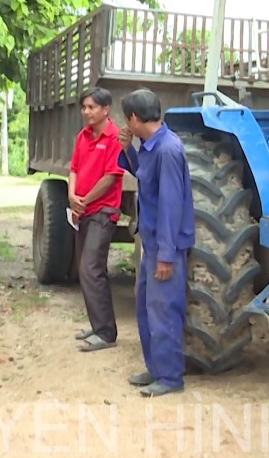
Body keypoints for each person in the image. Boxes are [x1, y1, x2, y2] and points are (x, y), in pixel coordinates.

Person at [116, 88, 195, 397]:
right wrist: (128, 149)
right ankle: (156, 368)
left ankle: (171, 377)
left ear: (134, 118)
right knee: (147, 307)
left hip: (166, 246)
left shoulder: (168, 150)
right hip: (151, 240)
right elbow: (145, 177)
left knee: (164, 310)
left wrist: (165, 254)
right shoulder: (151, 145)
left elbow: (170, 207)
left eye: (127, 120)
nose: (126, 125)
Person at [68, 87, 126, 352]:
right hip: (83, 210)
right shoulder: (83, 136)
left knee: (91, 268)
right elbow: (74, 169)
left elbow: (111, 177)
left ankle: (105, 333)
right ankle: (97, 324)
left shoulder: (114, 137)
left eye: (92, 107)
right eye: (84, 107)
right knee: (86, 269)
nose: (87, 112)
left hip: (102, 211)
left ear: (105, 109)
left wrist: (85, 199)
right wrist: (72, 196)